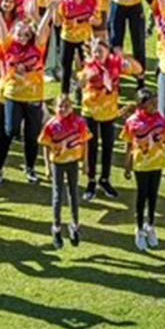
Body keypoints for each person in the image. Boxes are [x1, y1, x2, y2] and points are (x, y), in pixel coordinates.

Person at [0, 2, 57, 187]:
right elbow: (2, 30)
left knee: (32, 135)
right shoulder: (8, 46)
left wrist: (49, 10)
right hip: (12, 94)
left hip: (34, 96)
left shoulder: (37, 47)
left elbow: (42, 31)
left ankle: (30, 168)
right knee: (9, 131)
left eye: (27, 34)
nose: (23, 37)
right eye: (19, 33)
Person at [77, 37, 142, 200]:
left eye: (101, 51)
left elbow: (138, 69)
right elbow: (78, 83)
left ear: (107, 52)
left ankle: (105, 179)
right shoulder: (88, 66)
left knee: (108, 146)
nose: (98, 54)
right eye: (95, 52)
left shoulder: (115, 64)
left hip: (109, 113)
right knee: (92, 147)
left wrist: (126, 60)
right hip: (90, 112)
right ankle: (91, 181)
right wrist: (85, 77)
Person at [121, 86, 165, 251]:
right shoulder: (132, 121)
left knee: (153, 195)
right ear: (142, 105)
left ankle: (150, 225)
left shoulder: (160, 119)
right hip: (141, 164)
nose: (155, 106)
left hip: (157, 162)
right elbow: (128, 144)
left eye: (155, 102)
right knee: (142, 195)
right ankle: (139, 229)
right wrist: (127, 165)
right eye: (151, 103)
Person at [39, 93, 92, 248]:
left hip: (73, 162)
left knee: (73, 194)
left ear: (71, 107)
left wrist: (85, 162)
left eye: (66, 106)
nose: (63, 109)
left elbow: (85, 142)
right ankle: (56, 228)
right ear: (55, 107)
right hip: (57, 163)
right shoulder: (51, 125)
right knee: (57, 195)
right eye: (60, 106)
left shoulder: (79, 123)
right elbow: (45, 145)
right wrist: (47, 166)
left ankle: (75, 226)